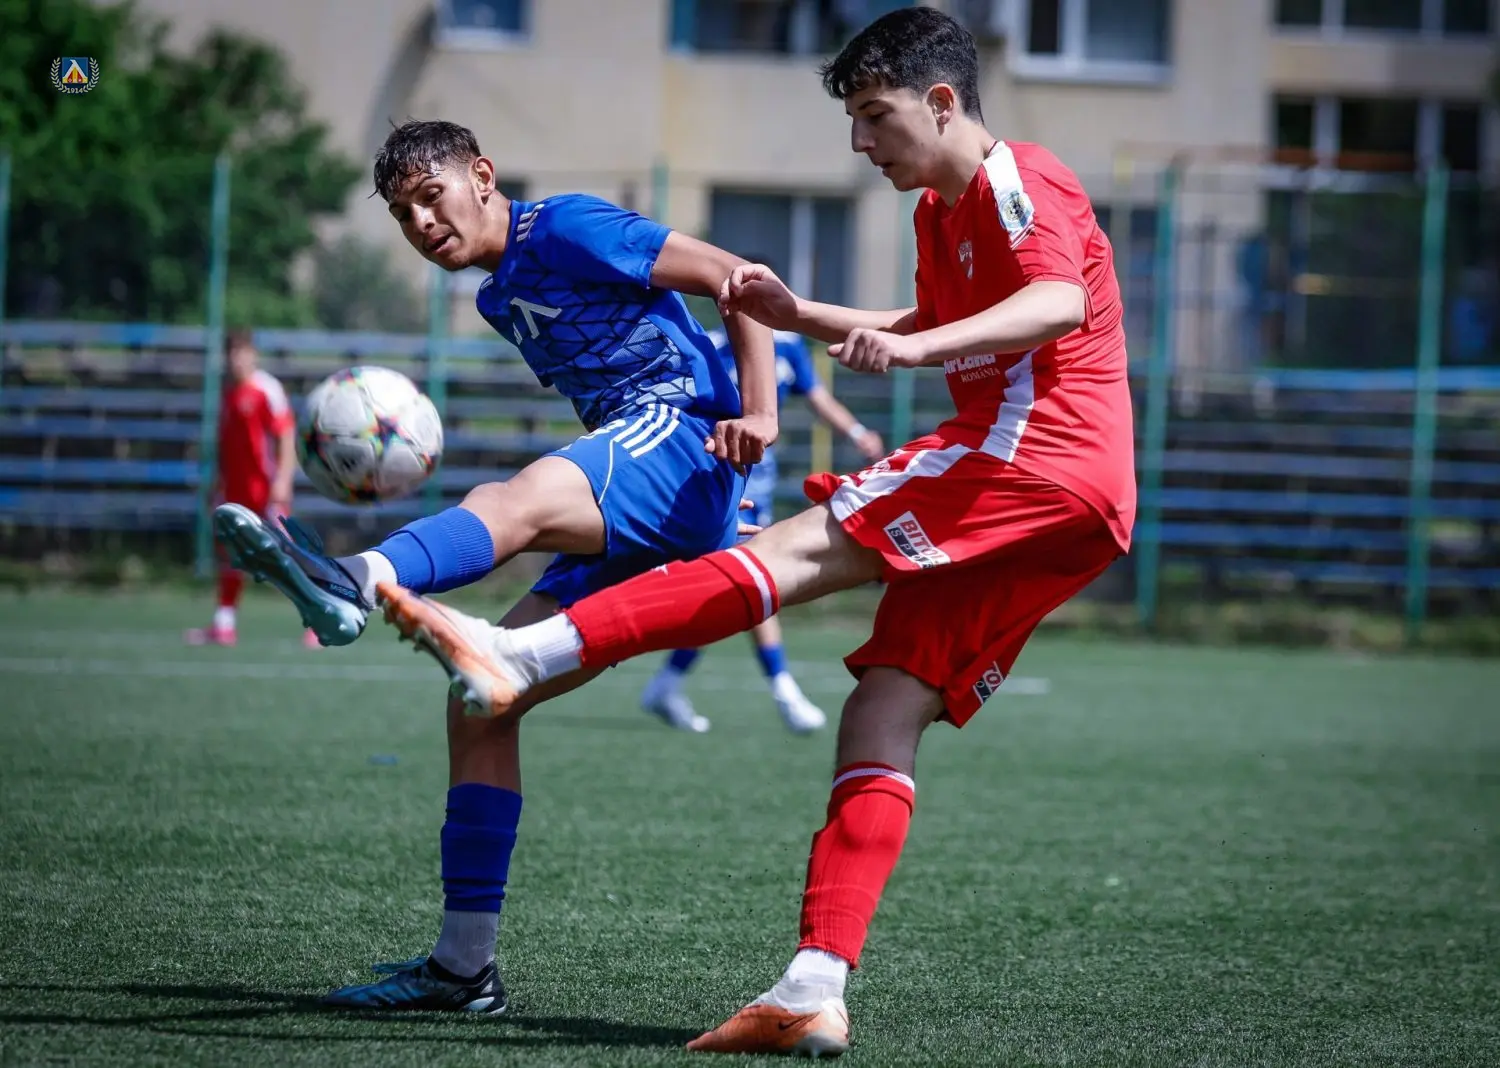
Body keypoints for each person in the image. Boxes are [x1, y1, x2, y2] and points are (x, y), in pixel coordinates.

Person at [374, 7, 1136, 1056]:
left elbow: (1054, 303)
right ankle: (815, 988)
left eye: (874, 116)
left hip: (1034, 451)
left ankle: (524, 653)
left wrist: (916, 359)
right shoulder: (937, 216)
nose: (860, 142)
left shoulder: (1023, 178)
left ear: (941, 102)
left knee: (788, 549)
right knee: (884, 708)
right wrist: (806, 315)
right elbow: (925, 323)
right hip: (1077, 502)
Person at [214, 119, 778, 1014]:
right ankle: (463, 969)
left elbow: (738, 278)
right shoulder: (497, 296)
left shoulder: (565, 226)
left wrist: (761, 414)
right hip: (654, 488)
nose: (421, 223)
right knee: (483, 698)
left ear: (481, 176)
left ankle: (353, 579)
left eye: (430, 196)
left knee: (512, 499)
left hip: (681, 438)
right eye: (403, 214)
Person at [639, 307, 884, 735]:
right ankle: (783, 691)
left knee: (734, 587)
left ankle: (669, 681)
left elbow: (818, 397)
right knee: (752, 581)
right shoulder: (712, 345)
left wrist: (857, 432)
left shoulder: (787, 347)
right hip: (722, 477)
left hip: (759, 480)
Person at [184, 329, 318, 649]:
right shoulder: (227, 392)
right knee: (230, 555)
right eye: (231, 353)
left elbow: (285, 435)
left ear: (253, 355)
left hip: (265, 492)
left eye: (242, 352)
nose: (236, 359)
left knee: (289, 555)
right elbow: (226, 445)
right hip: (234, 491)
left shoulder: (266, 389)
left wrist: (283, 479)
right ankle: (224, 625)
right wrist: (216, 484)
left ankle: (318, 620)